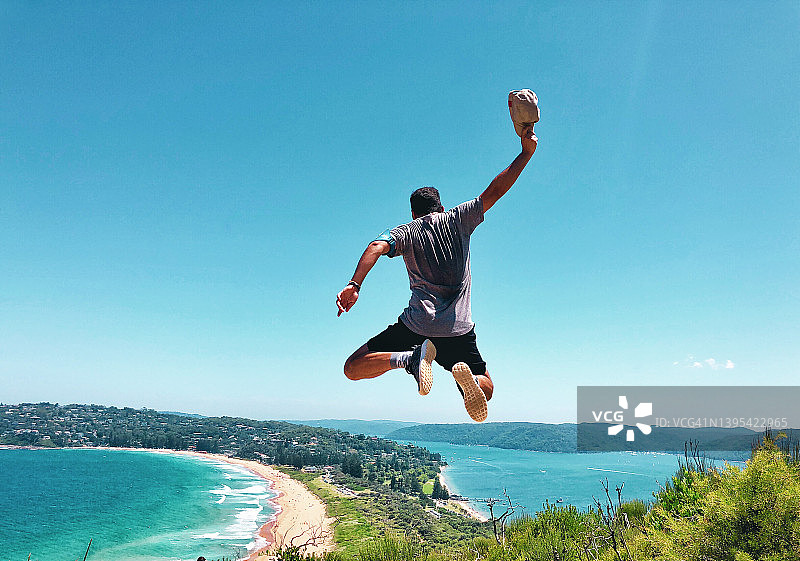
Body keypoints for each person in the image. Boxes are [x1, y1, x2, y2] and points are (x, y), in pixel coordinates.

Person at [336, 125, 538, 422]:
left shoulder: (407, 231)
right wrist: (525, 153)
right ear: (441, 207)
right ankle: (466, 378)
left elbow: (376, 245)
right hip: (458, 329)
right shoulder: (459, 218)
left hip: (417, 325)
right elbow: (496, 190)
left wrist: (355, 285)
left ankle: (408, 359)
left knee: (353, 367)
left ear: (414, 214)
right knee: (487, 389)